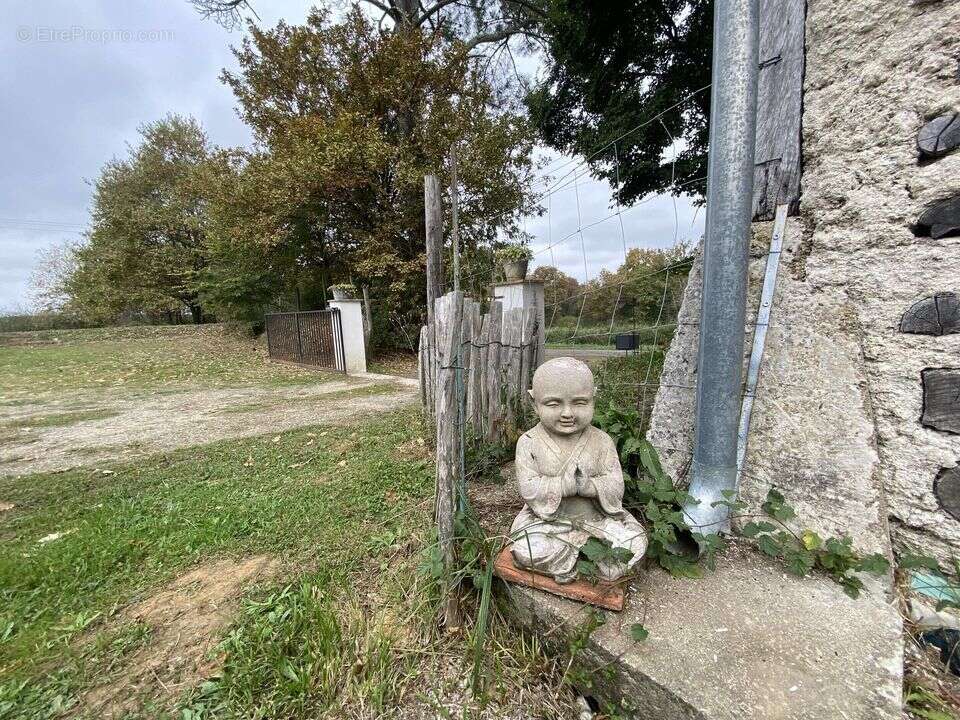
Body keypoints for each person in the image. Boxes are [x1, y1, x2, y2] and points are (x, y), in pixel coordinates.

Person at [510, 357, 647, 583]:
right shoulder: (529, 442)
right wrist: (562, 485)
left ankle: (584, 560)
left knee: (636, 541)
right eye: (554, 404)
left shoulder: (602, 441)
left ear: (593, 398)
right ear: (535, 403)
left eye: (580, 403)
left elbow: (615, 484)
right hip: (548, 525)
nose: (567, 413)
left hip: (598, 520)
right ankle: (589, 562)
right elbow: (528, 487)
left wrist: (591, 487)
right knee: (526, 549)